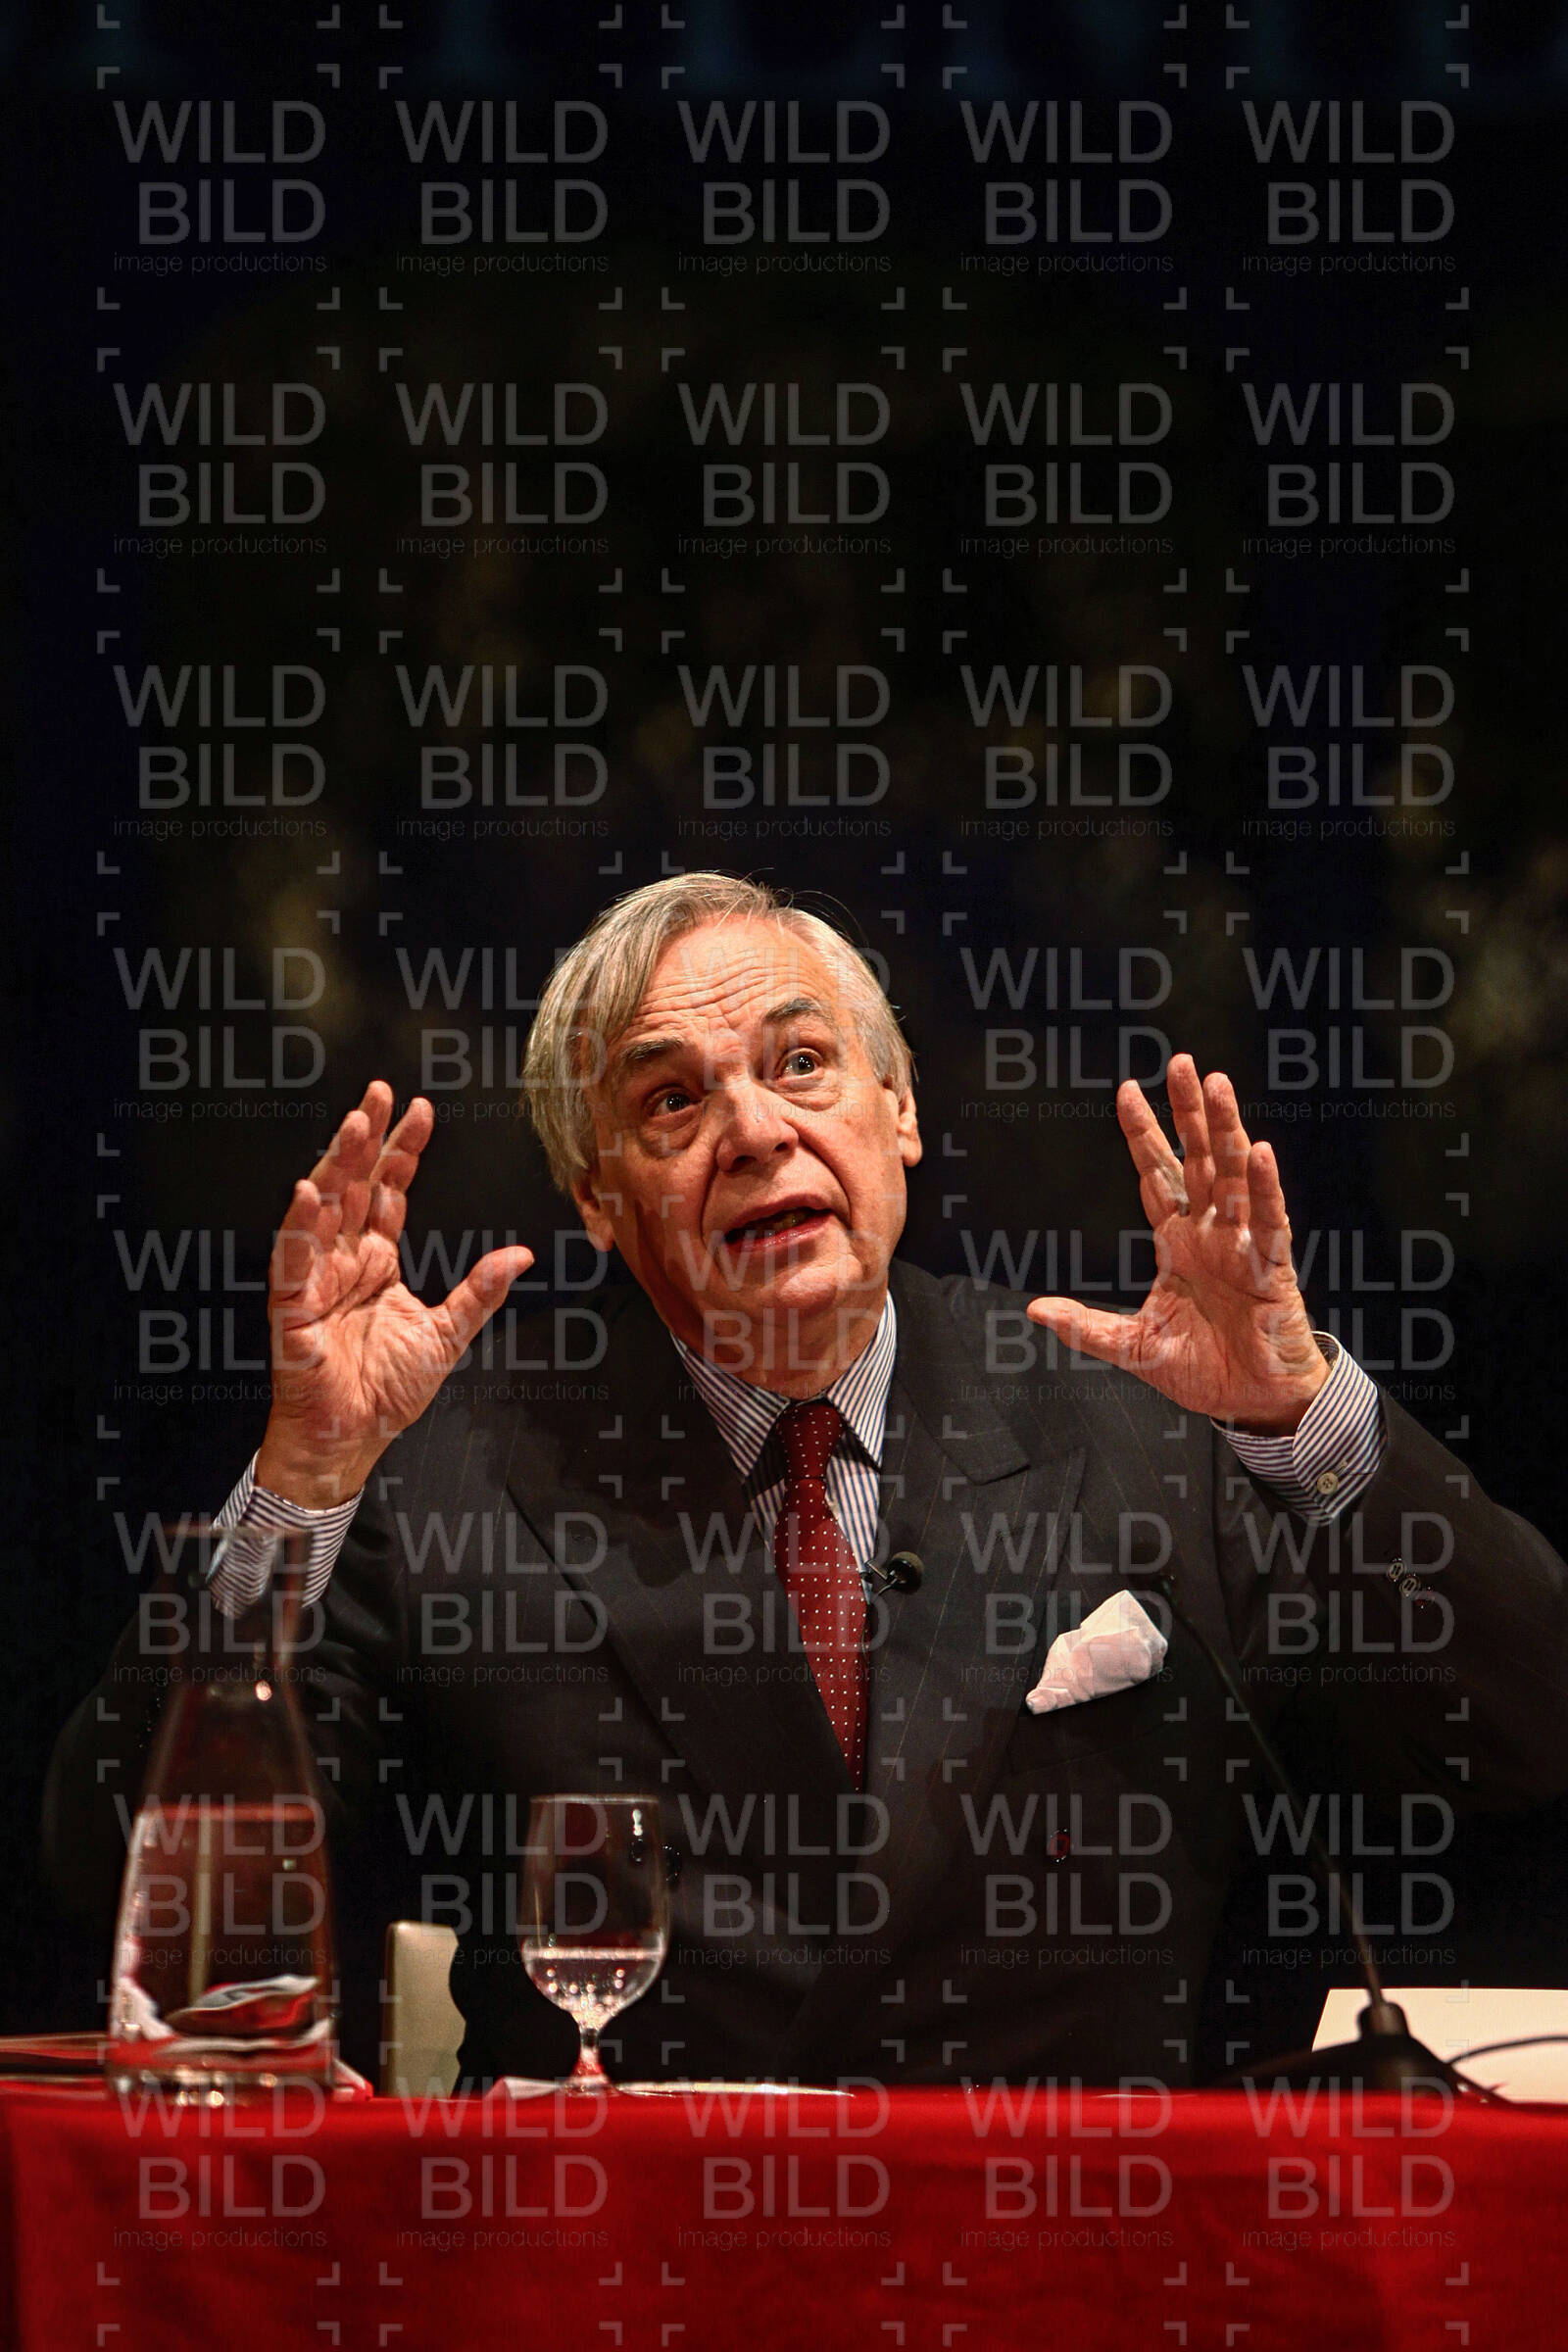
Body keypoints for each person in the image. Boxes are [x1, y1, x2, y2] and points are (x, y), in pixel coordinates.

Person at [45, 873, 1568, 2085]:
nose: (755, 1131)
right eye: (670, 1102)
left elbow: (1523, 1731)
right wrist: (307, 1475)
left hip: (1079, 2269)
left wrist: (1304, 1415)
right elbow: (138, 1896)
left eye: (799, 1064)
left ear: (898, 1110)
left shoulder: (1148, 1427)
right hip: (622, 2281)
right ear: (596, 1200)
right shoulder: (458, 1475)